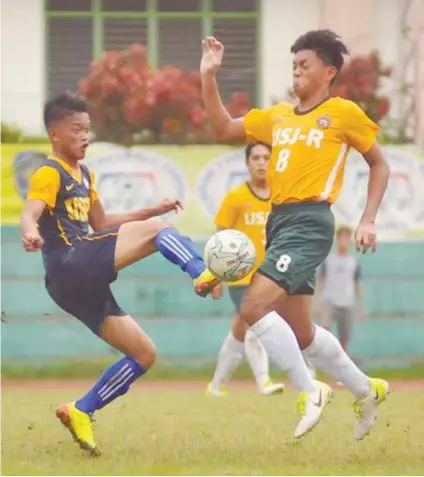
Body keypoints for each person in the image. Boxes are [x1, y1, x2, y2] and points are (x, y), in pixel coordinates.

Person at [200, 29, 390, 440]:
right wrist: (208, 77)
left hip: (310, 221)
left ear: (329, 72)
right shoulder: (277, 116)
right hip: (279, 222)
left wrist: (368, 219)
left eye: (305, 65)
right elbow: (221, 128)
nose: (297, 71)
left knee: (252, 307)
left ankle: (309, 389)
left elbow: (379, 164)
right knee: (302, 334)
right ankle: (366, 389)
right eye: (294, 65)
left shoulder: (343, 113)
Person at [20, 92, 220, 456]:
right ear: (54, 134)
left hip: (73, 283)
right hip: (71, 261)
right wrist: (29, 230)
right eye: (76, 129)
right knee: (159, 230)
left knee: (144, 354)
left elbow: (102, 223)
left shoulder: (84, 175)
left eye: (87, 130)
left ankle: (81, 410)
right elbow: (31, 210)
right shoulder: (50, 172)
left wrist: (148, 209)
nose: (84, 136)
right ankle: (201, 273)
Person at [206, 142, 284, 396]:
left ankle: (216, 385)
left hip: (272, 274)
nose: (261, 163)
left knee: (240, 329)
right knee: (255, 323)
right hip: (242, 276)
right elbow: (220, 237)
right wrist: (215, 277)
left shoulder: (281, 197)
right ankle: (264, 382)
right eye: (256, 158)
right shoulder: (236, 198)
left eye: (266, 158)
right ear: (247, 163)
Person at [316, 225, 367, 353]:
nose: (343, 241)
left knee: (345, 337)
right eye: (341, 238)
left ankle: (343, 363)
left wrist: (362, 307)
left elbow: (357, 284)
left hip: (347, 302)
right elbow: (320, 281)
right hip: (329, 301)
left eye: (346, 238)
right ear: (337, 240)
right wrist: (317, 304)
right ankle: (325, 360)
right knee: (325, 331)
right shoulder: (328, 260)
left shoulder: (353, 261)